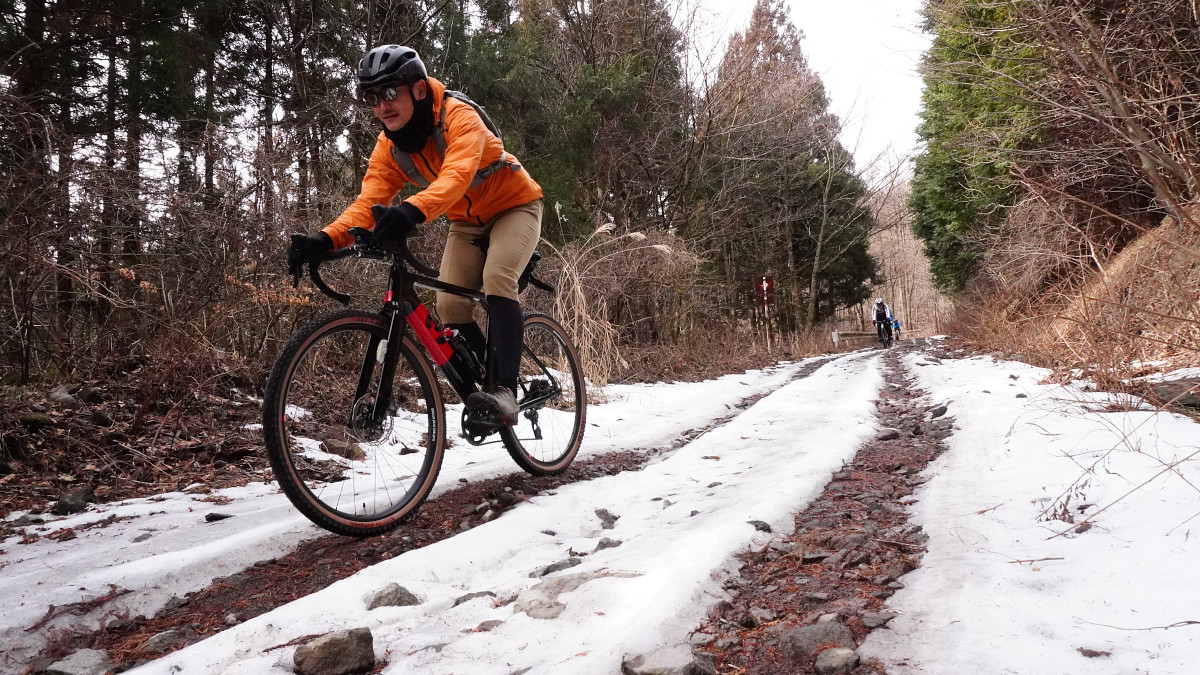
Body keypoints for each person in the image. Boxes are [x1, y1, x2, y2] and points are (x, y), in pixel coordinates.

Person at [287, 44, 543, 423]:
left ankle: (505, 391)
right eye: (371, 96)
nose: (382, 105)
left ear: (419, 90)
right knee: (450, 307)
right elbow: (366, 204)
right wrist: (324, 239)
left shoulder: (459, 117)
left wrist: (411, 210)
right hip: (467, 222)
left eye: (390, 92)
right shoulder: (389, 148)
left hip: (516, 206)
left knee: (497, 279)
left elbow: (457, 175)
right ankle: (484, 381)